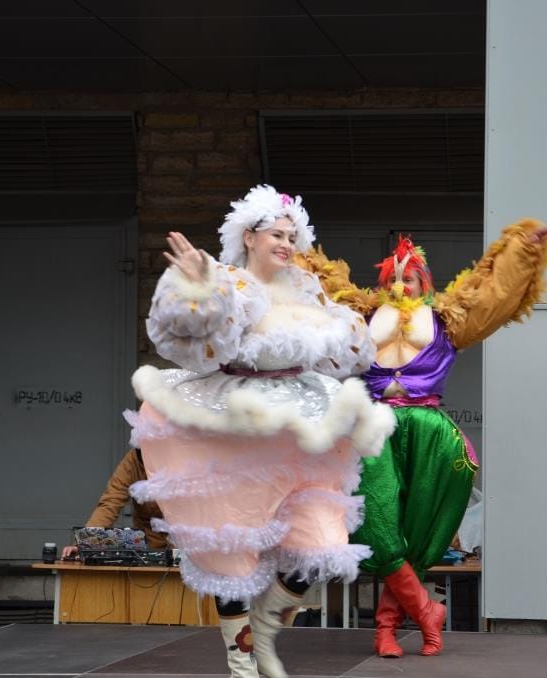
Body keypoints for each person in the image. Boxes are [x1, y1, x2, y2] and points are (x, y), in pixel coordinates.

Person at [125, 184, 395, 678]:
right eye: (276, 234)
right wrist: (200, 290)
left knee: (322, 540)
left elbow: (345, 352)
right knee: (232, 546)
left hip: (297, 421)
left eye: (292, 236)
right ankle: (242, 662)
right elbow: (189, 337)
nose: (286, 244)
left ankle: (266, 629)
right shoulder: (230, 283)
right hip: (237, 423)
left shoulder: (307, 288)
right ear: (249, 237)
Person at [299, 219, 547, 657]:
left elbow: (492, 293)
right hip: (373, 426)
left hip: (428, 427)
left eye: (409, 278)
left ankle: (385, 630)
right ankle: (425, 610)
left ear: (424, 282)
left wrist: (522, 250)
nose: (400, 284)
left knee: (416, 531)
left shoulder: (448, 318)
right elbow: (315, 289)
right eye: (392, 278)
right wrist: (286, 238)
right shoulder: (358, 316)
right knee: (377, 522)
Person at [60, 448, 166, 559]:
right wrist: (85, 544)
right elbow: (111, 501)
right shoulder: (134, 457)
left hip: (178, 542)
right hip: (150, 544)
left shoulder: (178, 454)